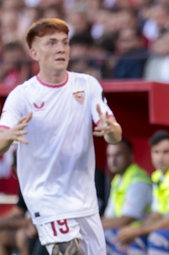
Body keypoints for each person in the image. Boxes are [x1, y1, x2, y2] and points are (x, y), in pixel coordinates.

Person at [0, 18, 122, 255]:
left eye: (65, 43)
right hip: (46, 198)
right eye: (51, 43)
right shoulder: (21, 96)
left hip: (84, 200)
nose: (60, 48)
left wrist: (111, 131)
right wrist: (9, 137)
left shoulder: (87, 85)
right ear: (34, 52)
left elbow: (114, 135)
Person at [102, 140, 152, 254]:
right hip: (125, 231)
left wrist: (91, 227)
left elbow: (126, 220)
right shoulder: (118, 180)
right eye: (109, 155)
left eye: (118, 155)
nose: (112, 160)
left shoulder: (138, 181)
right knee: (97, 239)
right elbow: (108, 217)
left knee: (106, 238)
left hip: (142, 233)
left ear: (130, 156)